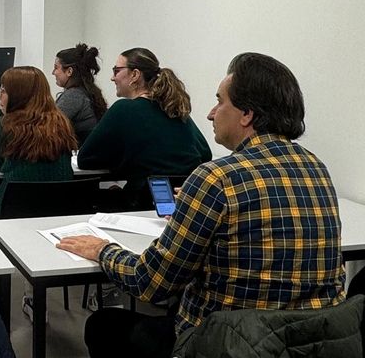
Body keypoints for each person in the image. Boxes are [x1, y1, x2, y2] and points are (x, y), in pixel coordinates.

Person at [57, 53, 346, 358]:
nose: (210, 114)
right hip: (309, 344)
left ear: (247, 114)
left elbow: (151, 282)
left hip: (225, 345)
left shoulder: (216, 178)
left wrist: (103, 250)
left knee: (103, 326)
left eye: (219, 102)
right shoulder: (316, 168)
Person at [77, 47, 211, 210]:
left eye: (117, 71)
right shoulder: (176, 111)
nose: (113, 78)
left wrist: (123, 161)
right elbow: (205, 155)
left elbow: (85, 159)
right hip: (183, 204)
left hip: (139, 204)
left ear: (135, 75)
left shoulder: (123, 109)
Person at [0, 66, 78, 216]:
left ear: (17, 95)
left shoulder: (2, 126)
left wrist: (0, 113)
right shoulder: (62, 123)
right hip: (60, 208)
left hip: (13, 209)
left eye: (3, 91)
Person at [52, 43, 108, 143]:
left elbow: (48, 128)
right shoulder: (85, 92)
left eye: (56, 68)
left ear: (69, 71)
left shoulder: (74, 95)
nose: (53, 72)